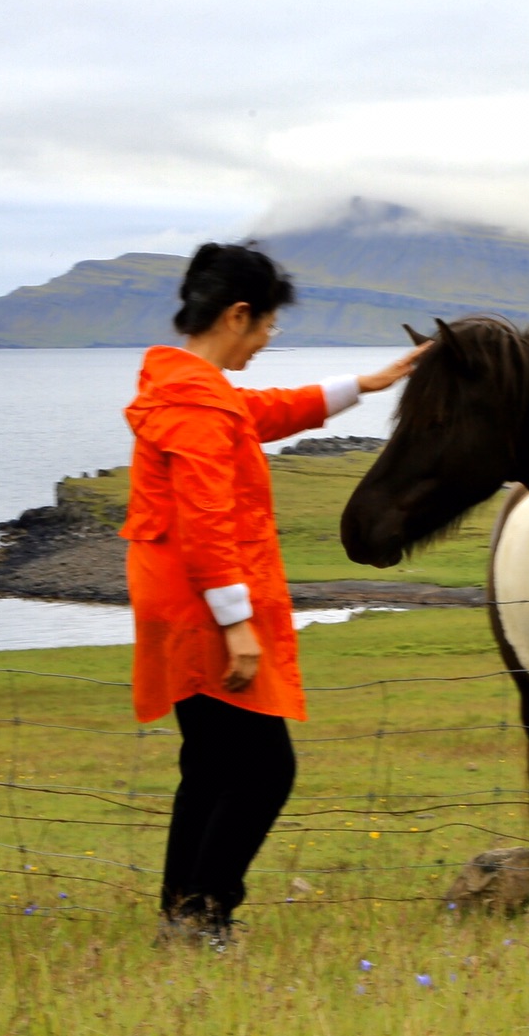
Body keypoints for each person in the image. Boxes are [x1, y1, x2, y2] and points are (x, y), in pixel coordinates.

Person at [121, 242, 424, 948]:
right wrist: (237, 626)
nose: (267, 339)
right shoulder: (196, 405)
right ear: (236, 315)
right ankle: (204, 916)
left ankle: (182, 913)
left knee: (211, 764)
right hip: (204, 613)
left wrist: (364, 385)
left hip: (177, 603)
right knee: (264, 770)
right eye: (266, 326)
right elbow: (205, 523)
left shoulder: (189, 390)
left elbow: (261, 412)